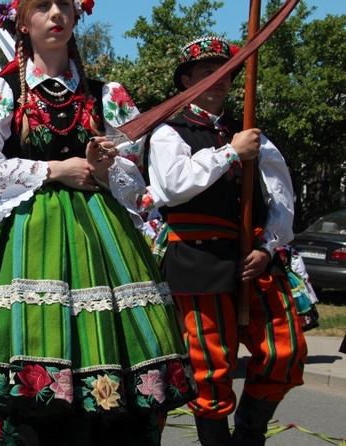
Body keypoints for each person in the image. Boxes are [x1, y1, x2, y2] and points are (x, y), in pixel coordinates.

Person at [0, 1, 195, 445]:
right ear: (22, 20)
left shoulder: (104, 93)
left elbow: (133, 178)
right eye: (42, 5)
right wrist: (54, 171)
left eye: (65, 5)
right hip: (21, 239)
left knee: (102, 359)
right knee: (26, 349)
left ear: (77, 17)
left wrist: (101, 166)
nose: (56, 13)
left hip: (98, 239)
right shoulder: (0, 92)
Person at [147, 36, 308, 445]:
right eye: (207, 73)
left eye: (225, 74)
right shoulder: (171, 131)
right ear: (187, 81)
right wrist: (230, 153)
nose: (218, 81)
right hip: (198, 261)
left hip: (252, 258)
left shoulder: (249, 132)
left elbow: (280, 198)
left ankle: (249, 433)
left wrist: (266, 247)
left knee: (284, 352)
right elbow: (171, 187)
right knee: (210, 368)